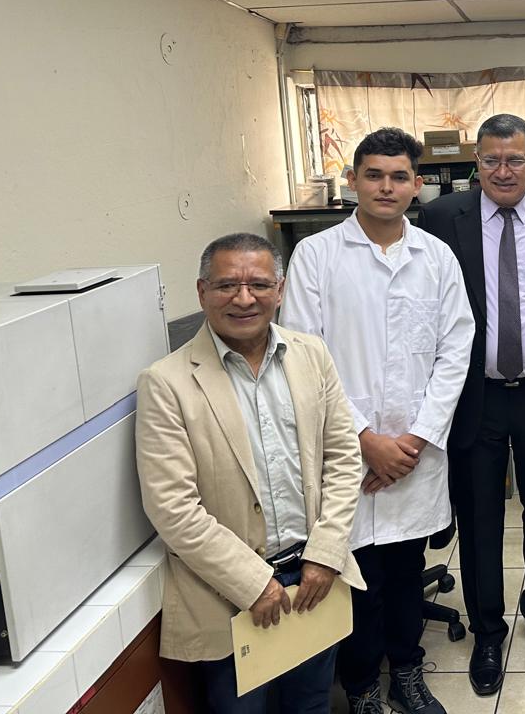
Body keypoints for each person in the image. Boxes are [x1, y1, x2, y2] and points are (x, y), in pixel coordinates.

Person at [281, 128, 474, 714]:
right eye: (374, 175)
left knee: (406, 566)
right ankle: (363, 684)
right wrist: (365, 440)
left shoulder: (436, 257)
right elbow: (306, 356)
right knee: (355, 572)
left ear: (417, 185)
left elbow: (455, 349)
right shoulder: (316, 256)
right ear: (352, 181)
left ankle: (407, 672)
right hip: (348, 452)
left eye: (398, 176)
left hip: (415, 452)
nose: (386, 187)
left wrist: (413, 440)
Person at [135, 233, 363, 714]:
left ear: (279, 290)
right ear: (202, 292)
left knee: (311, 704)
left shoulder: (312, 355)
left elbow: (343, 459)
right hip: (227, 593)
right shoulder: (166, 383)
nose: (244, 299)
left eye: (258, 285)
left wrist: (325, 554)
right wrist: (252, 583)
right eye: (227, 286)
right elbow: (172, 508)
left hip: (313, 576)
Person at [420, 113, 525, 696]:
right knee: (480, 522)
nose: (503, 171)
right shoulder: (441, 219)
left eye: (515, 159)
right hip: (475, 398)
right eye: (491, 160)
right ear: (477, 164)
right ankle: (488, 631)